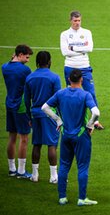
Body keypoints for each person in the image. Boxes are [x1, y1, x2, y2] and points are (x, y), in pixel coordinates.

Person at [42, 69, 100, 206]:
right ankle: (82, 198)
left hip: (66, 134)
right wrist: (90, 125)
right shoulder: (85, 95)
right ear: (81, 80)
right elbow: (96, 112)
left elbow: (45, 107)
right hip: (81, 135)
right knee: (83, 167)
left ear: (69, 79)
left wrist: (58, 120)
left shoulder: (61, 93)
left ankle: (62, 197)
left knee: (64, 166)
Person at [60, 10, 104, 130]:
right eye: (75, 20)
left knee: (91, 93)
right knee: (70, 94)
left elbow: (89, 48)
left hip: (85, 67)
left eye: (79, 20)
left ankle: (95, 121)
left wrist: (73, 47)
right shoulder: (64, 34)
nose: (77, 23)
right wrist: (81, 49)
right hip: (70, 66)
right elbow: (65, 52)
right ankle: (70, 119)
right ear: (70, 21)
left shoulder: (87, 32)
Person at [24, 51, 61, 183]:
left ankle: (35, 175)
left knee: (37, 144)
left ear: (37, 62)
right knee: (52, 144)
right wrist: (60, 118)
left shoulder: (30, 77)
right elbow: (58, 99)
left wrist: (29, 117)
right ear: (49, 61)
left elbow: (26, 100)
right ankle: (54, 176)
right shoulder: (54, 77)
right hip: (50, 114)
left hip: (35, 113)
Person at [2, 44, 33, 179]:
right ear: (20, 55)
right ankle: (21, 171)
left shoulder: (4, 67)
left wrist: (14, 59)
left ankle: (11, 169)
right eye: (26, 57)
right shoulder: (25, 70)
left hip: (9, 103)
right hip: (21, 106)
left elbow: (10, 65)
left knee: (12, 136)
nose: (28, 60)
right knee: (24, 138)